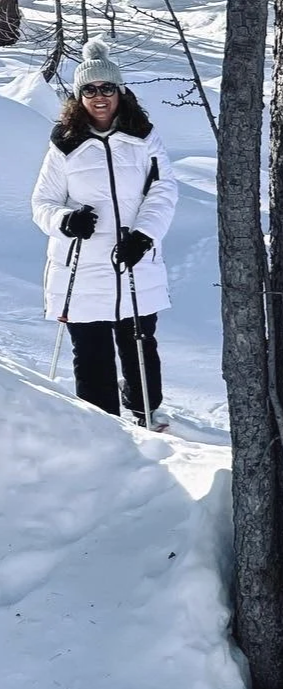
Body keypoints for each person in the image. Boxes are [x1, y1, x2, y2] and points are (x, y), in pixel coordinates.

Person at [32, 37, 178, 428]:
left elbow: (163, 189)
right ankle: (102, 426)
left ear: (120, 92)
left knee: (140, 343)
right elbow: (42, 203)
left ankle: (145, 410)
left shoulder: (144, 137)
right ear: (79, 96)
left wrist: (144, 234)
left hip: (134, 260)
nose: (100, 96)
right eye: (90, 90)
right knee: (91, 350)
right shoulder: (65, 144)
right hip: (81, 266)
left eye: (107, 88)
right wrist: (66, 221)